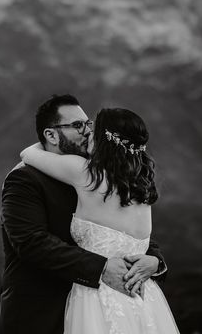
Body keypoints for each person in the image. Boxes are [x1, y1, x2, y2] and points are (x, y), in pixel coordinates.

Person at [0, 95, 167, 334]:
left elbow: (123, 233)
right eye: (77, 125)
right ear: (51, 135)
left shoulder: (99, 173)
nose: (87, 132)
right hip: (42, 313)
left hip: (103, 306)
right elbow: (31, 242)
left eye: (88, 124)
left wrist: (155, 261)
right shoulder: (24, 178)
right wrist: (102, 269)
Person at [18, 105, 180, 334]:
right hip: (145, 297)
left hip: (97, 297)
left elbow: (28, 154)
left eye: (92, 128)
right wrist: (155, 262)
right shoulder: (142, 187)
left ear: (104, 139)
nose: (87, 133)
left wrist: (50, 138)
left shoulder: (85, 173)